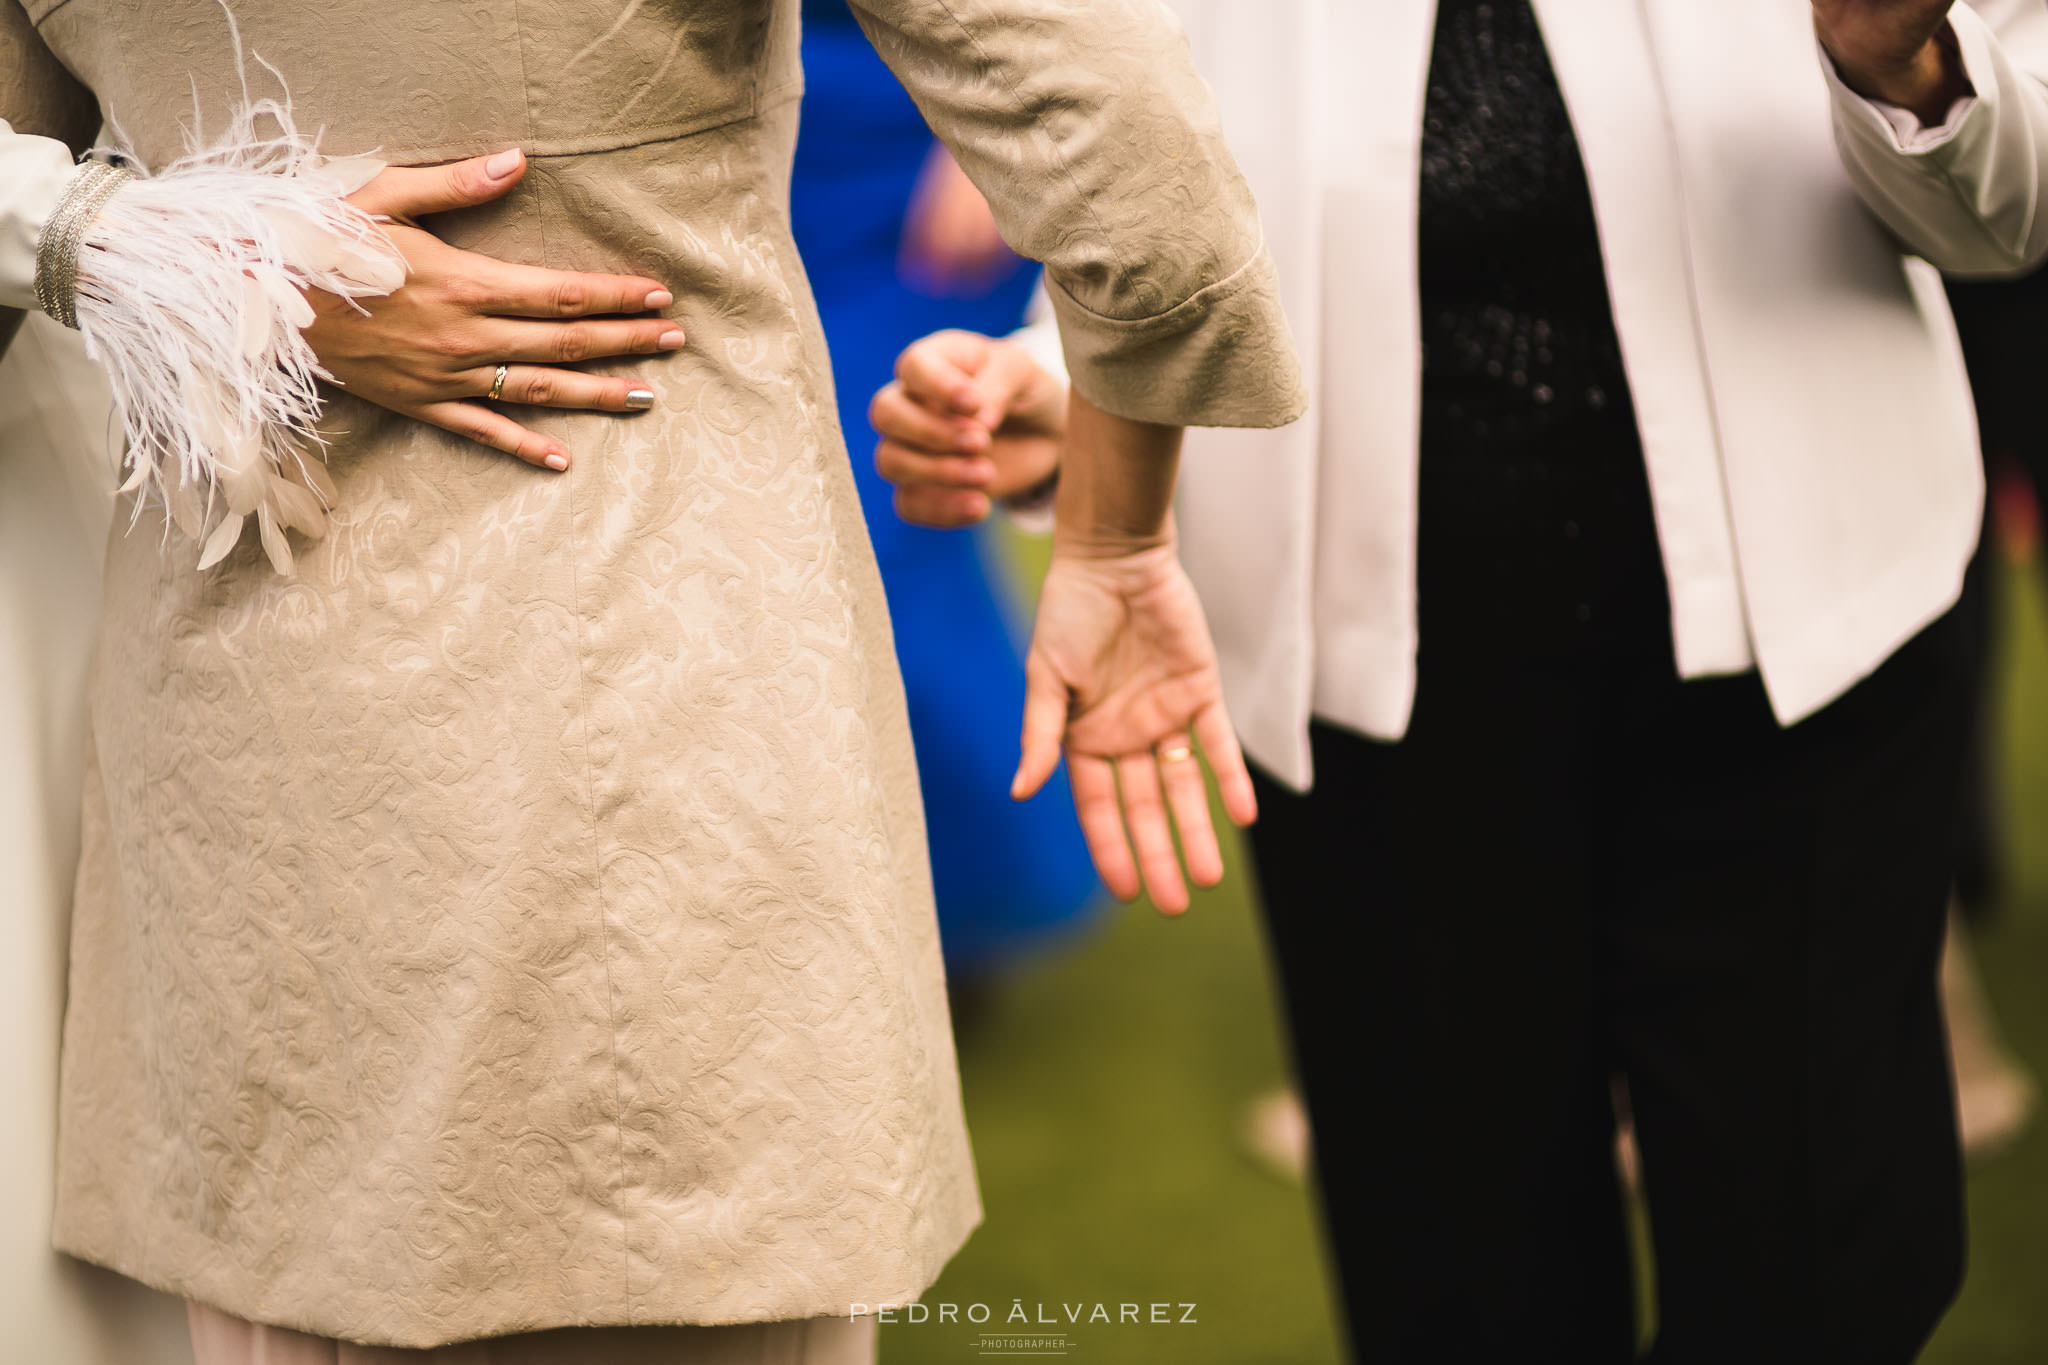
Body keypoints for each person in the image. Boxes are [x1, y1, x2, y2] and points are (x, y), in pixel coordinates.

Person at [3, 1, 1303, 1361]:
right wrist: (1114, 532)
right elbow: (1141, 166)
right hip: (650, 682)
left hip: (245, 734)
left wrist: (140, 246)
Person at [869, 1, 2048, 1360]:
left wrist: (1898, 58)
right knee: (1461, 1292)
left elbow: (2005, 214)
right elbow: (1161, 166)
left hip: (1809, 649)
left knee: (1823, 1276)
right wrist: (1053, 390)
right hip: (1381, 698)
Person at [788, 0, 1101, 983]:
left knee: (884, 515)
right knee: (779, 525)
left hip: (925, 118)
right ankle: (823, 895)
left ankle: (966, 904)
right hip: (760, 131)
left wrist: (997, 122)